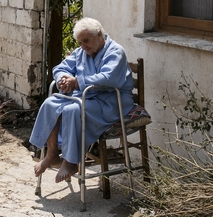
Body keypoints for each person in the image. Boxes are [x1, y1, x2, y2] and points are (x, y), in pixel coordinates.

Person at [30, 17, 135, 183]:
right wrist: (63, 79)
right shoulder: (81, 52)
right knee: (50, 104)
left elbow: (109, 77)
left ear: (99, 34)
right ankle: (52, 154)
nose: (83, 46)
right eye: (80, 42)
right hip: (85, 97)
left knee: (73, 110)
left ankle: (71, 161)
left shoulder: (115, 52)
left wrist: (77, 82)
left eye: (86, 40)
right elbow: (60, 68)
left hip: (110, 101)